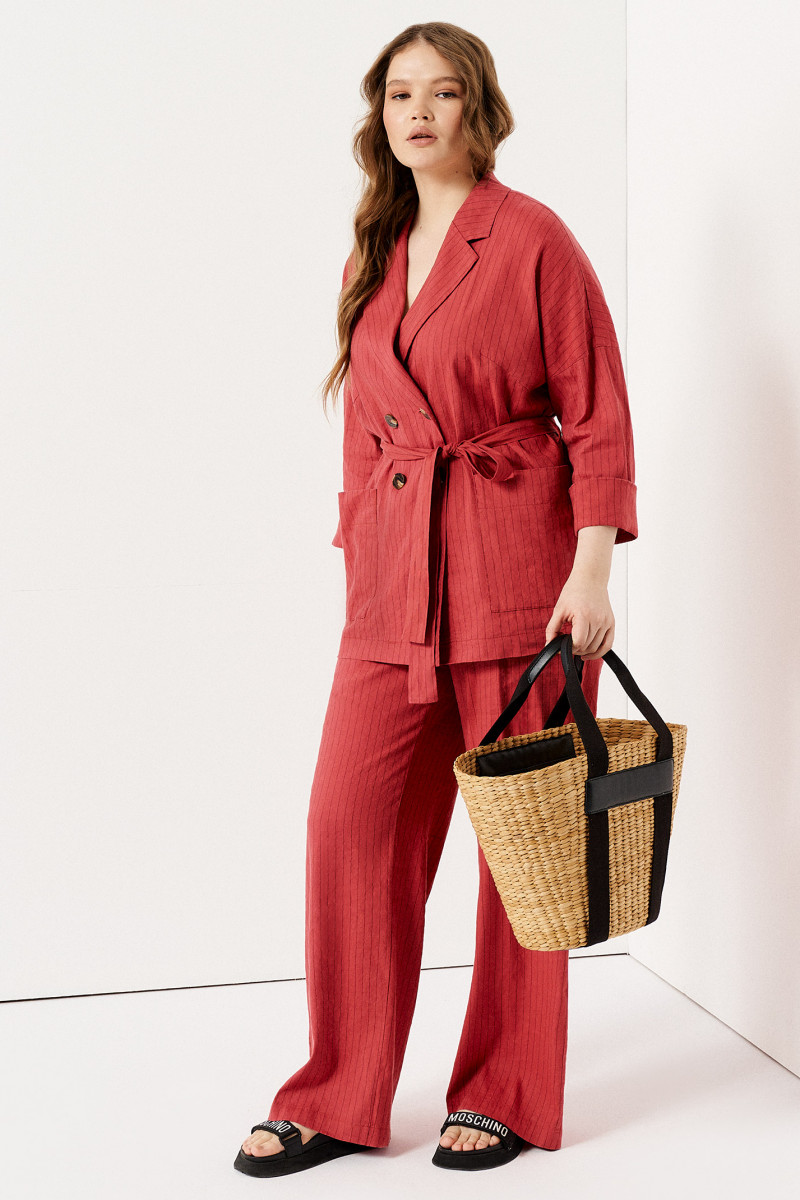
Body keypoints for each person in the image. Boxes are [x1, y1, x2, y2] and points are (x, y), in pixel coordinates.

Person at [234, 20, 637, 1179]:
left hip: (518, 576)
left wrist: (591, 571)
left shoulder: (532, 238)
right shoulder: (374, 250)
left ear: (478, 109)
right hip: (391, 592)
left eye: (442, 91)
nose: (418, 111)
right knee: (347, 832)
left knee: (521, 852)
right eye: (399, 93)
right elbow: (366, 433)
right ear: (381, 116)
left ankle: (502, 1092)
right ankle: (336, 1093)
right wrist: (362, 556)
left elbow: (595, 411)